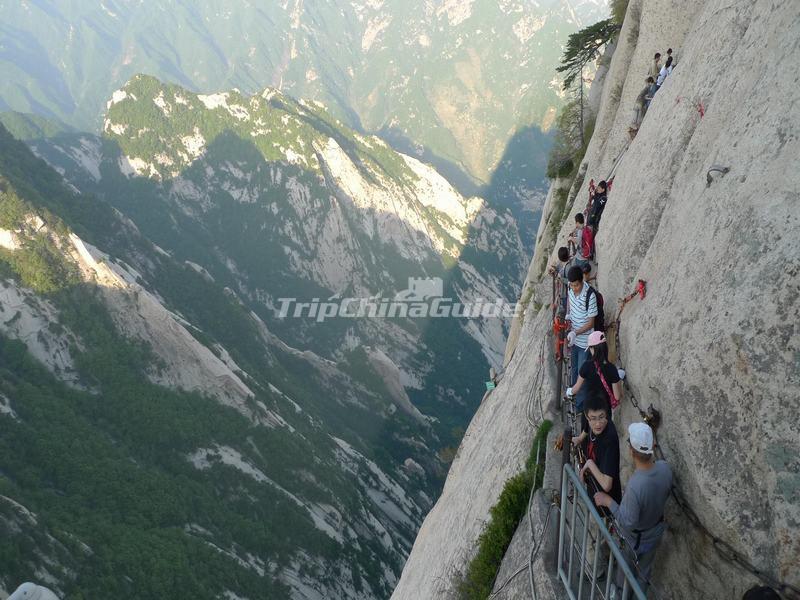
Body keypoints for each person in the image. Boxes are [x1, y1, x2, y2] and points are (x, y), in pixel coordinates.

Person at [594, 422, 673, 594]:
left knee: (625, 572)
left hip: (634, 540)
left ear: (631, 451)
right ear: (652, 446)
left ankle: (621, 594)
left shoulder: (636, 485)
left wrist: (608, 501)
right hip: (655, 532)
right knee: (644, 573)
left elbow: (627, 522)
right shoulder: (665, 469)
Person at [571, 393, 622, 506]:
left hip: (607, 502)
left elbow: (607, 485)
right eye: (593, 419)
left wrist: (589, 463)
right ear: (586, 416)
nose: (598, 424)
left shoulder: (609, 441)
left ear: (607, 414)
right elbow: (587, 428)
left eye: (601, 417)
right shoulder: (591, 423)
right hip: (594, 487)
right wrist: (579, 439)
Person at [566, 265, 597, 410]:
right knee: (574, 371)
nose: (574, 288)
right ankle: (574, 396)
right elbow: (569, 302)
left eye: (576, 285)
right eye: (572, 285)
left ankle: (580, 407)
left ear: (582, 281)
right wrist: (568, 315)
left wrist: (575, 332)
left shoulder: (590, 295)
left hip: (585, 343)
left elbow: (591, 322)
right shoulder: (570, 289)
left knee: (581, 376)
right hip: (574, 341)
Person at [566, 331, 622, 411]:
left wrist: (569, 392)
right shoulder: (612, 368)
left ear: (592, 348)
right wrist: (618, 379)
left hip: (589, 408)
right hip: (604, 410)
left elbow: (577, 388)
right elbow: (617, 396)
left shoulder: (586, 366)